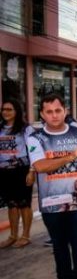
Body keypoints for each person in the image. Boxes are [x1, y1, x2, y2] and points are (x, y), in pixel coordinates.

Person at [27, 93, 77, 279]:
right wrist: (72, 156)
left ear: (65, 111)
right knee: (59, 245)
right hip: (51, 203)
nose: (54, 115)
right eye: (49, 112)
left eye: (58, 110)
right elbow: (40, 166)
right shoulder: (35, 138)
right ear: (42, 114)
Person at [0, 99, 35, 248]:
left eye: (9, 109)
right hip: (4, 172)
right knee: (11, 204)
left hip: (22, 170)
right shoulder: (0, 128)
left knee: (24, 203)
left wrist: (32, 171)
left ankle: (25, 235)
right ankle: (13, 235)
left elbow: (33, 151)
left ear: (17, 111)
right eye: (3, 109)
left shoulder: (26, 129)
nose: (5, 112)